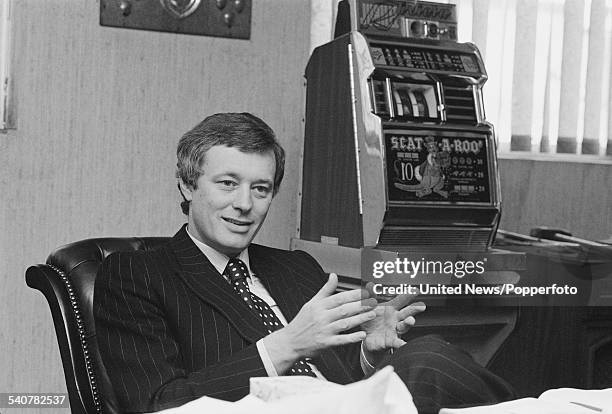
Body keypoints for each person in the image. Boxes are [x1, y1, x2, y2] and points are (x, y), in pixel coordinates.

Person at [94, 112, 514, 414]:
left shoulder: (296, 269)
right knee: (428, 365)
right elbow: (158, 405)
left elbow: (338, 375)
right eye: (227, 184)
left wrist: (367, 354)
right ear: (187, 185)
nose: (244, 204)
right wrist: (287, 343)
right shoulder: (136, 276)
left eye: (260, 189)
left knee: (426, 354)